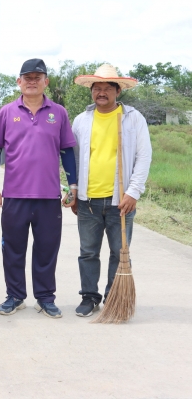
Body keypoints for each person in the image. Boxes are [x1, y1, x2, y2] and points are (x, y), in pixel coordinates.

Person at [0, 58, 77, 319]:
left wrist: (72, 185)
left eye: (37, 77)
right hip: (15, 195)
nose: (31, 82)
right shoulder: (7, 112)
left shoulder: (58, 113)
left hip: (49, 196)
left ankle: (45, 298)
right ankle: (15, 296)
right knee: (13, 249)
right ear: (19, 82)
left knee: (47, 249)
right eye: (27, 78)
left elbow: (67, 151)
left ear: (45, 82)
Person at [71, 64, 151, 317]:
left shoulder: (133, 118)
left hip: (121, 201)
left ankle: (114, 298)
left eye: (107, 88)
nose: (102, 92)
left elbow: (144, 156)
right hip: (88, 200)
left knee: (119, 252)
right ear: (91, 91)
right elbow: (73, 159)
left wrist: (134, 192)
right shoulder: (81, 120)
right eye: (97, 88)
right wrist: (74, 191)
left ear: (118, 91)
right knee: (88, 252)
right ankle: (89, 297)